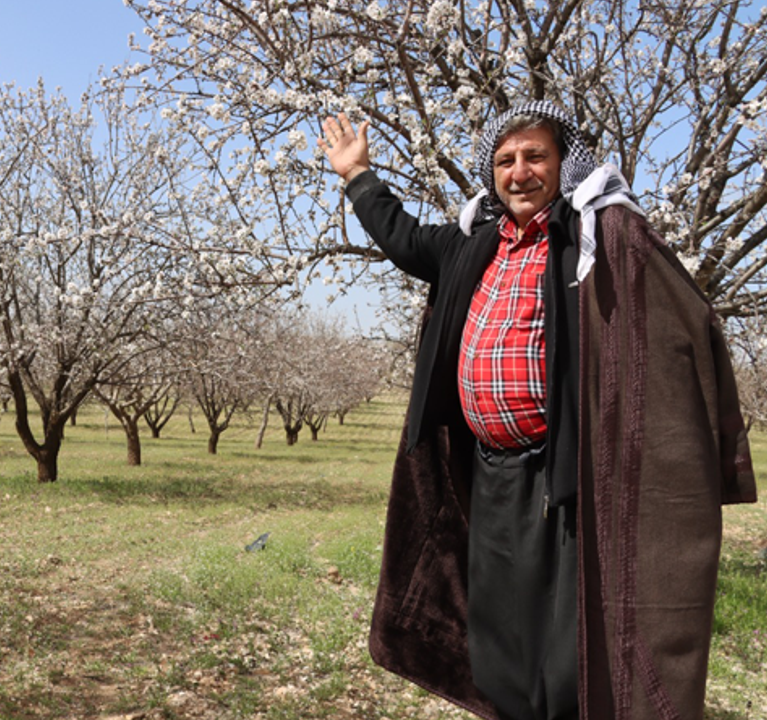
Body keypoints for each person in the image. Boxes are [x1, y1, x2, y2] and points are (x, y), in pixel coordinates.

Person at [319, 101, 758, 720]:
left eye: (535, 156)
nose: (519, 172)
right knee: (500, 636)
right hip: (488, 473)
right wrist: (358, 175)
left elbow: (680, 315)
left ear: (564, 165)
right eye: (505, 160)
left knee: (563, 647)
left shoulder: (594, 241)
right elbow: (403, 238)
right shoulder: (471, 245)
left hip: (561, 479)